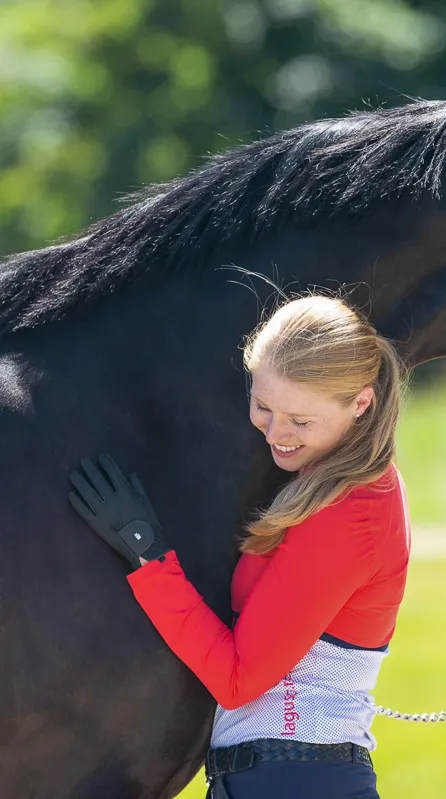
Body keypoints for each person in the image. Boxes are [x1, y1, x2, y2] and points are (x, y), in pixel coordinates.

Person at [68, 294, 411, 799]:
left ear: (361, 403)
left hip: (294, 779)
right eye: (263, 407)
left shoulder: (352, 511)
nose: (276, 433)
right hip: (276, 776)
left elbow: (237, 679)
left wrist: (147, 550)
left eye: (300, 420)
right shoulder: (331, 482)